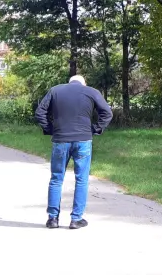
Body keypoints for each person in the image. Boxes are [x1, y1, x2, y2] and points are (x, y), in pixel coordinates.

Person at [34, 74, 113, 229]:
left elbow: (40, 112)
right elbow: (107, 113)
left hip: (60, 140)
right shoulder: (91, 92)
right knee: (81, 179)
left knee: (56, 179)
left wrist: (50, 129)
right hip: (83, 140)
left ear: (69, 82)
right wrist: (95, 129)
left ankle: (52, 219)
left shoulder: (55, 91)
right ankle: (76, 219)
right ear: (83, 83)